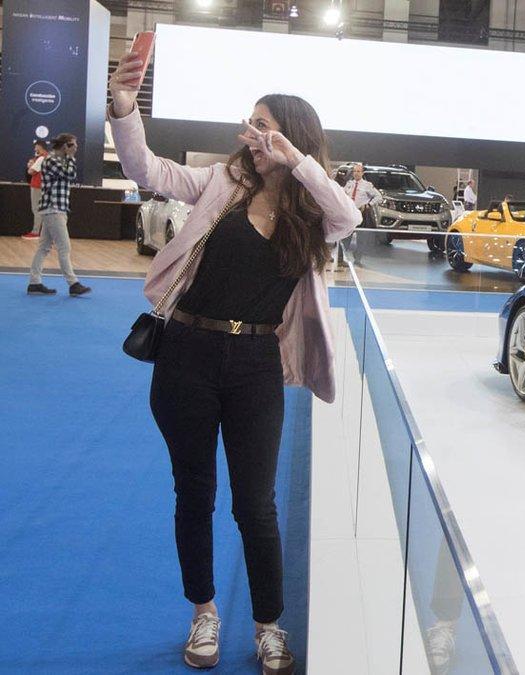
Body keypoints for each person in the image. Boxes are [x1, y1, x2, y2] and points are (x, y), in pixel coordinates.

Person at [109, 51, 361, 675]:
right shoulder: (220, 183)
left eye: (263, 126)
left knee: (256, 505)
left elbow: (348, 216)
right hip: (186, 356)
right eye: (248, 123)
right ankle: (204, 612)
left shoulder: (310, 216)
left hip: (255, 363)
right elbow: (148, 169)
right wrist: (123, 108)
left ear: (292, 138)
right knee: (193, 493)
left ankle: (267, 625)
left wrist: (295, 164)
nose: (248, 136)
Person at [27, 134, 91, 297]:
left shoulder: (56, 160)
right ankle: (73, 283)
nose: (76, 148)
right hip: (54, 209)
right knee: (64, 247)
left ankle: (34, 282)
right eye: (73, 145)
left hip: (55, 209)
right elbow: (70, 175)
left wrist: (69, 158)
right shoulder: (52, 160)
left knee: (44, 247)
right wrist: (71, 158)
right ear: (65, 146)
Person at [338, 163, 382, 267]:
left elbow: (378, 197)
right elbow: (341, 195)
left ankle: (357, 259)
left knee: (361, 238)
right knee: (345, 236)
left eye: (358, 171)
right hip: (349, 214)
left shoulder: (367, 185)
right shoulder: (349, 184)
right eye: (354, 171)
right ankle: (340, 259)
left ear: (362, 173)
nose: (356, 173)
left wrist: (368, 205)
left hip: (361, 213)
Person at [24, 140, 50, 239]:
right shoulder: (45, 157)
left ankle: (35, 232)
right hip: (42, 186)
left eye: (36, 147)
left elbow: (31, 171)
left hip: (37, 186)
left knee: (36, 209)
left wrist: (30, 165)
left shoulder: (41, 158)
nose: (35, 149)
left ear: (39, 146)